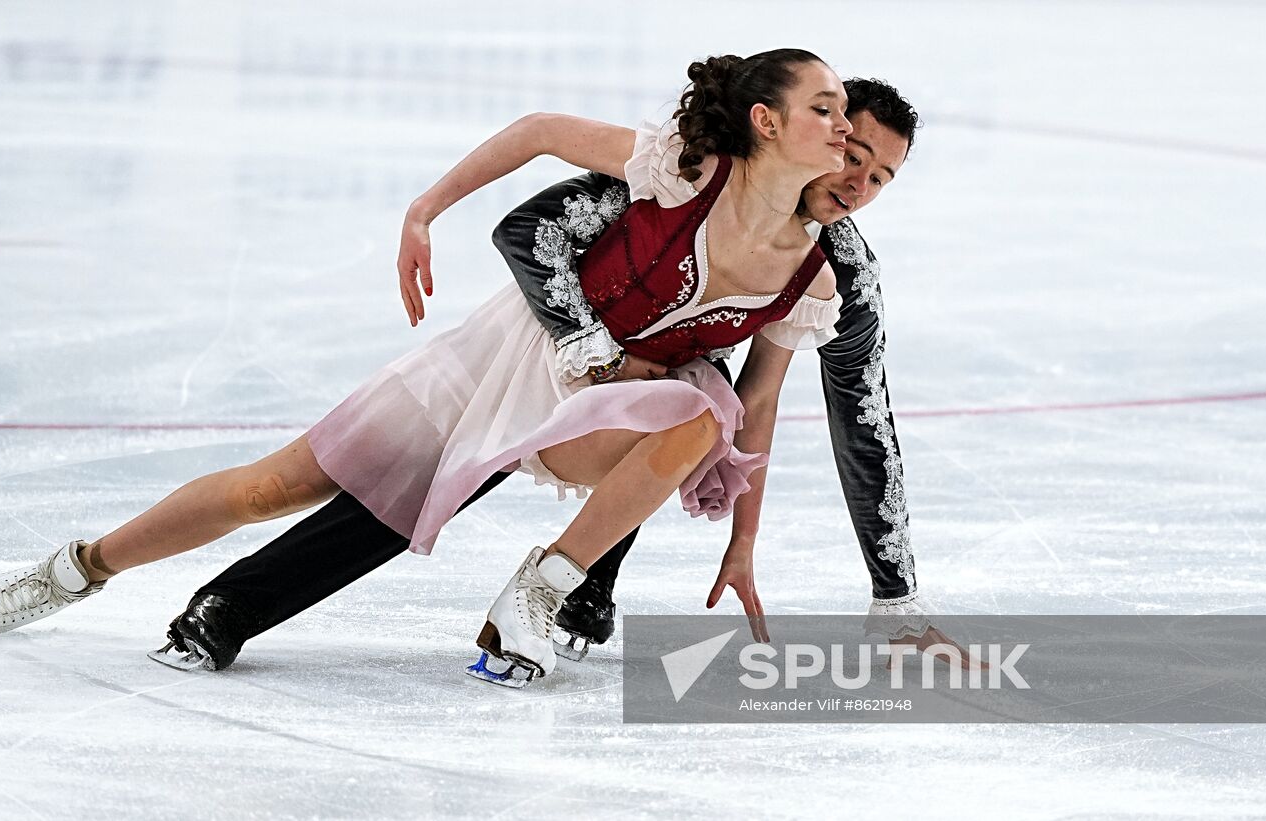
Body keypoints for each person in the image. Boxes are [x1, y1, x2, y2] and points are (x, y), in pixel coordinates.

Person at [0, 49, 851, 685]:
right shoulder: (682, 170)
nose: (842, 129)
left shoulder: (811, 273)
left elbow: (757, 415)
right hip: (509, 350)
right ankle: (75, 568)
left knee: (703, 416)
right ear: (765, 121)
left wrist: (741, 541)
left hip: (598, 403)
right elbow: (537, 129)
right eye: (826, 107)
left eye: (847, 116)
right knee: (274, 486)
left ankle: (546, 584)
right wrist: (424, 208)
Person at [150, 76, 936, 673]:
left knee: (693, 408)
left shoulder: (837, 275)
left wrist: (889, 590)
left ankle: (570, 579)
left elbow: (844, 415)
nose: (857, 178)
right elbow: (532, 233)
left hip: (650, 386)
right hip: (543, 341)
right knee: (412, 486)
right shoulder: (695, 174)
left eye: (882, 177)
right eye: (848, 149)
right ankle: (230, 605)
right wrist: (585, 345)